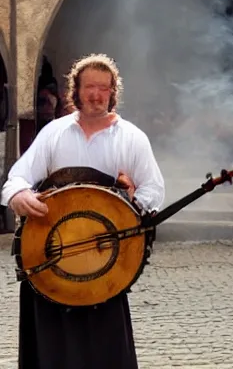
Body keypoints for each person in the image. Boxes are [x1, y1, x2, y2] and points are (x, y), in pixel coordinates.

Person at [1, 53, 165, 369]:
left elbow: (153, 190)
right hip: (51, 255)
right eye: (89, 86)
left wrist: (127, 211)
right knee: (50, 349)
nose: (96, 95)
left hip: (103, 261)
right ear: (74, 90)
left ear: (113, 92)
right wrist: (19, 195)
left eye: (104, 88)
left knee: (103, 348)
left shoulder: (131, 137)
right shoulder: (53, 133)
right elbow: (18, 177)